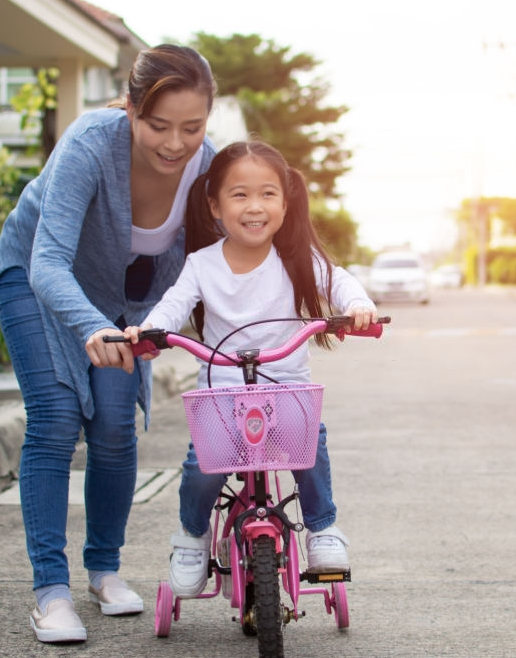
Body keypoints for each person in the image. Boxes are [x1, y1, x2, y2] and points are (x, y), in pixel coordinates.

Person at [0, 44, 218, 643]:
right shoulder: (91, 141)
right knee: (57, 418)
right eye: (159, 125)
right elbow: (48, 261)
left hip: (122, 305)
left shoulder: (206, 165)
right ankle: (51, 593)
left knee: (113, 425)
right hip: (37, 282)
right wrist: (90, 325)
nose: (174, 143)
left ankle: (103, 570)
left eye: (192, 127)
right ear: (131, 109)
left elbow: (214, 263)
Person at [124, 140, 378, 598]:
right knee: (201, 469)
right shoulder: (201, 264)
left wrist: (357, 306)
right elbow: (173, 304)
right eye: (239, 195)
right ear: (215, 206)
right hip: (222, 399)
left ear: (285, 202)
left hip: (286, 393)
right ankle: (192, 537)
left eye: (267, 194)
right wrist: (151, 331)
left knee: (310, 450)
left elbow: (337, 280)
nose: (254, 207)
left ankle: (322, 530)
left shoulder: (297, 257)